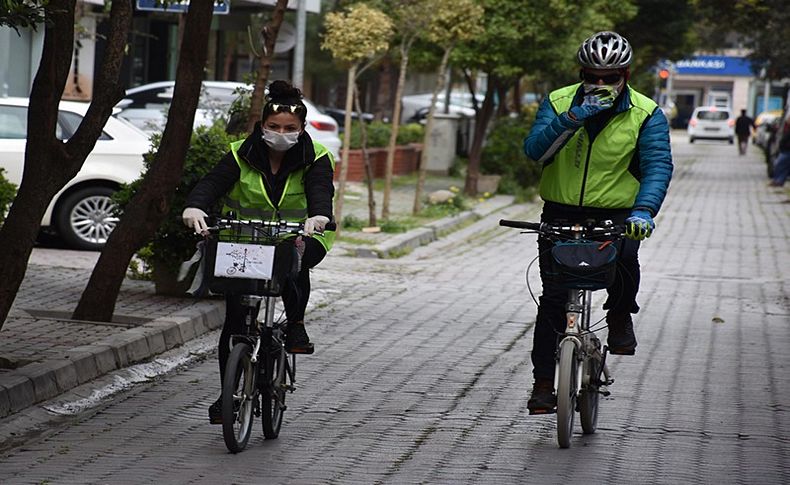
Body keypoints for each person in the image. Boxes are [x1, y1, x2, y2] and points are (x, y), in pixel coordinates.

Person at [522, 31, 673, 414]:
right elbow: (535, 151)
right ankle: (543, 383)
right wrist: (573, 117)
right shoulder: (559, 101)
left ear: (626, 74)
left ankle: (620, 315)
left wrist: (643, 212)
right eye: (593, 76)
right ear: (582, 72)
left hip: (617, 214)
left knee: (624, 260)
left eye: (610, 77)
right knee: (553, 300)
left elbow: (657, 167)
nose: (600, 84)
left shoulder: (646, 112)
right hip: (560, 212)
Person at [181, 80, 336, 424]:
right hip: (245, 239)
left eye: (289, 128)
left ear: (302, 129)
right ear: (262, 126)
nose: (281, 133)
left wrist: (319, 216)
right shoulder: (241, 152)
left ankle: (295, 324)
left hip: (301, 234)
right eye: (274, 127)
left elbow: (320, 189)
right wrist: (195, 207)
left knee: (296, 261)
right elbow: (212, 183)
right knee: (236, 322)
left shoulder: (317, 156)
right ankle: (228, 395)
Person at [769, 120, 790, 187]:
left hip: (786, 151)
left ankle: (778, 181)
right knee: (782, 166)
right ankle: (778, 181)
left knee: (779, 165)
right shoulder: (786, 129)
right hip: (784, 150)